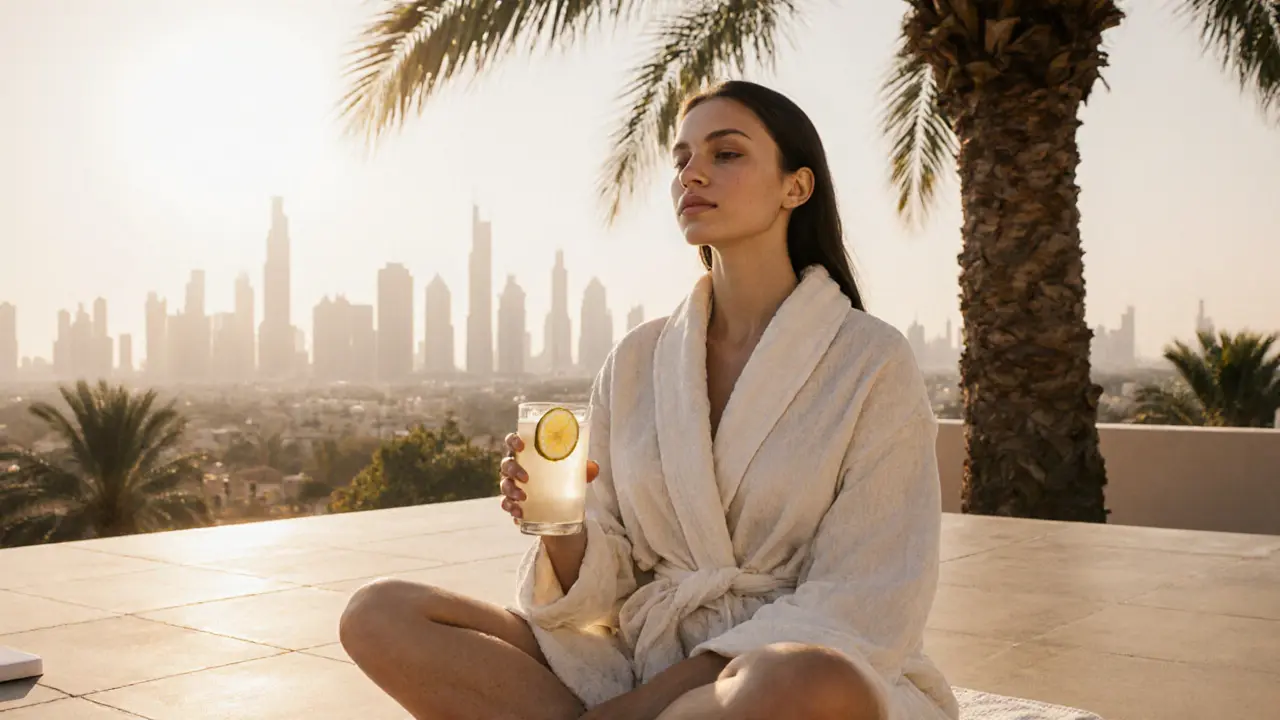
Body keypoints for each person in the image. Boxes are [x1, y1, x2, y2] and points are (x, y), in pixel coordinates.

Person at [339, 80, 959, 720]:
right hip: (641, 658)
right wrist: (564, 530)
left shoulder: (870, 361)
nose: (693, 173)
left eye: (726, 154)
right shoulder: (639, 360)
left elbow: (865, 598)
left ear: (795, 188)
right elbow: (603, 594)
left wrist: (642, 707)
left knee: (803, 682)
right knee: (381, 612)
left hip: (777, 671)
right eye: (682, 158)